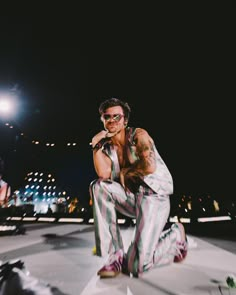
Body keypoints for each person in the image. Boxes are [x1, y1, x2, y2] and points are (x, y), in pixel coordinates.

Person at [89, 97, 188, 278]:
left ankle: (174, 235)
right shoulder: (108, 147)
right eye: (107, 117)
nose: (111, 121)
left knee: (136, 267)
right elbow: (103, 176)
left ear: (125, 120)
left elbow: (149, 166)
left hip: (154, 197)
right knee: (98, 186)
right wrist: (96, 145)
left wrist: (126, 172)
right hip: (133, 198)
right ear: (102, 120)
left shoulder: (138, 135)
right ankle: (115, 255)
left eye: (116, 117)